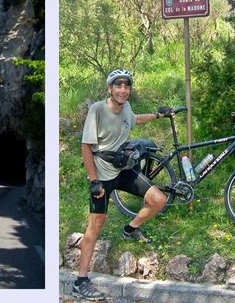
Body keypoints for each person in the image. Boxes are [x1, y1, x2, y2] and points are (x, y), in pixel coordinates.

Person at [72, 69, 170, 301]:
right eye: (118, 86)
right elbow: (86, 147)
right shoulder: (97, 109)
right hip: (102, 175)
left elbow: (135, 120)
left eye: (126, 86)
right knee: (96, 225)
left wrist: (158, 115)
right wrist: (94, 181)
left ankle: (130, 228)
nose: (123, 90)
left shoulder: (125, 107)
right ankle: (80, 280)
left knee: (158, 199)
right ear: (110, 88)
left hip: (123, 170)